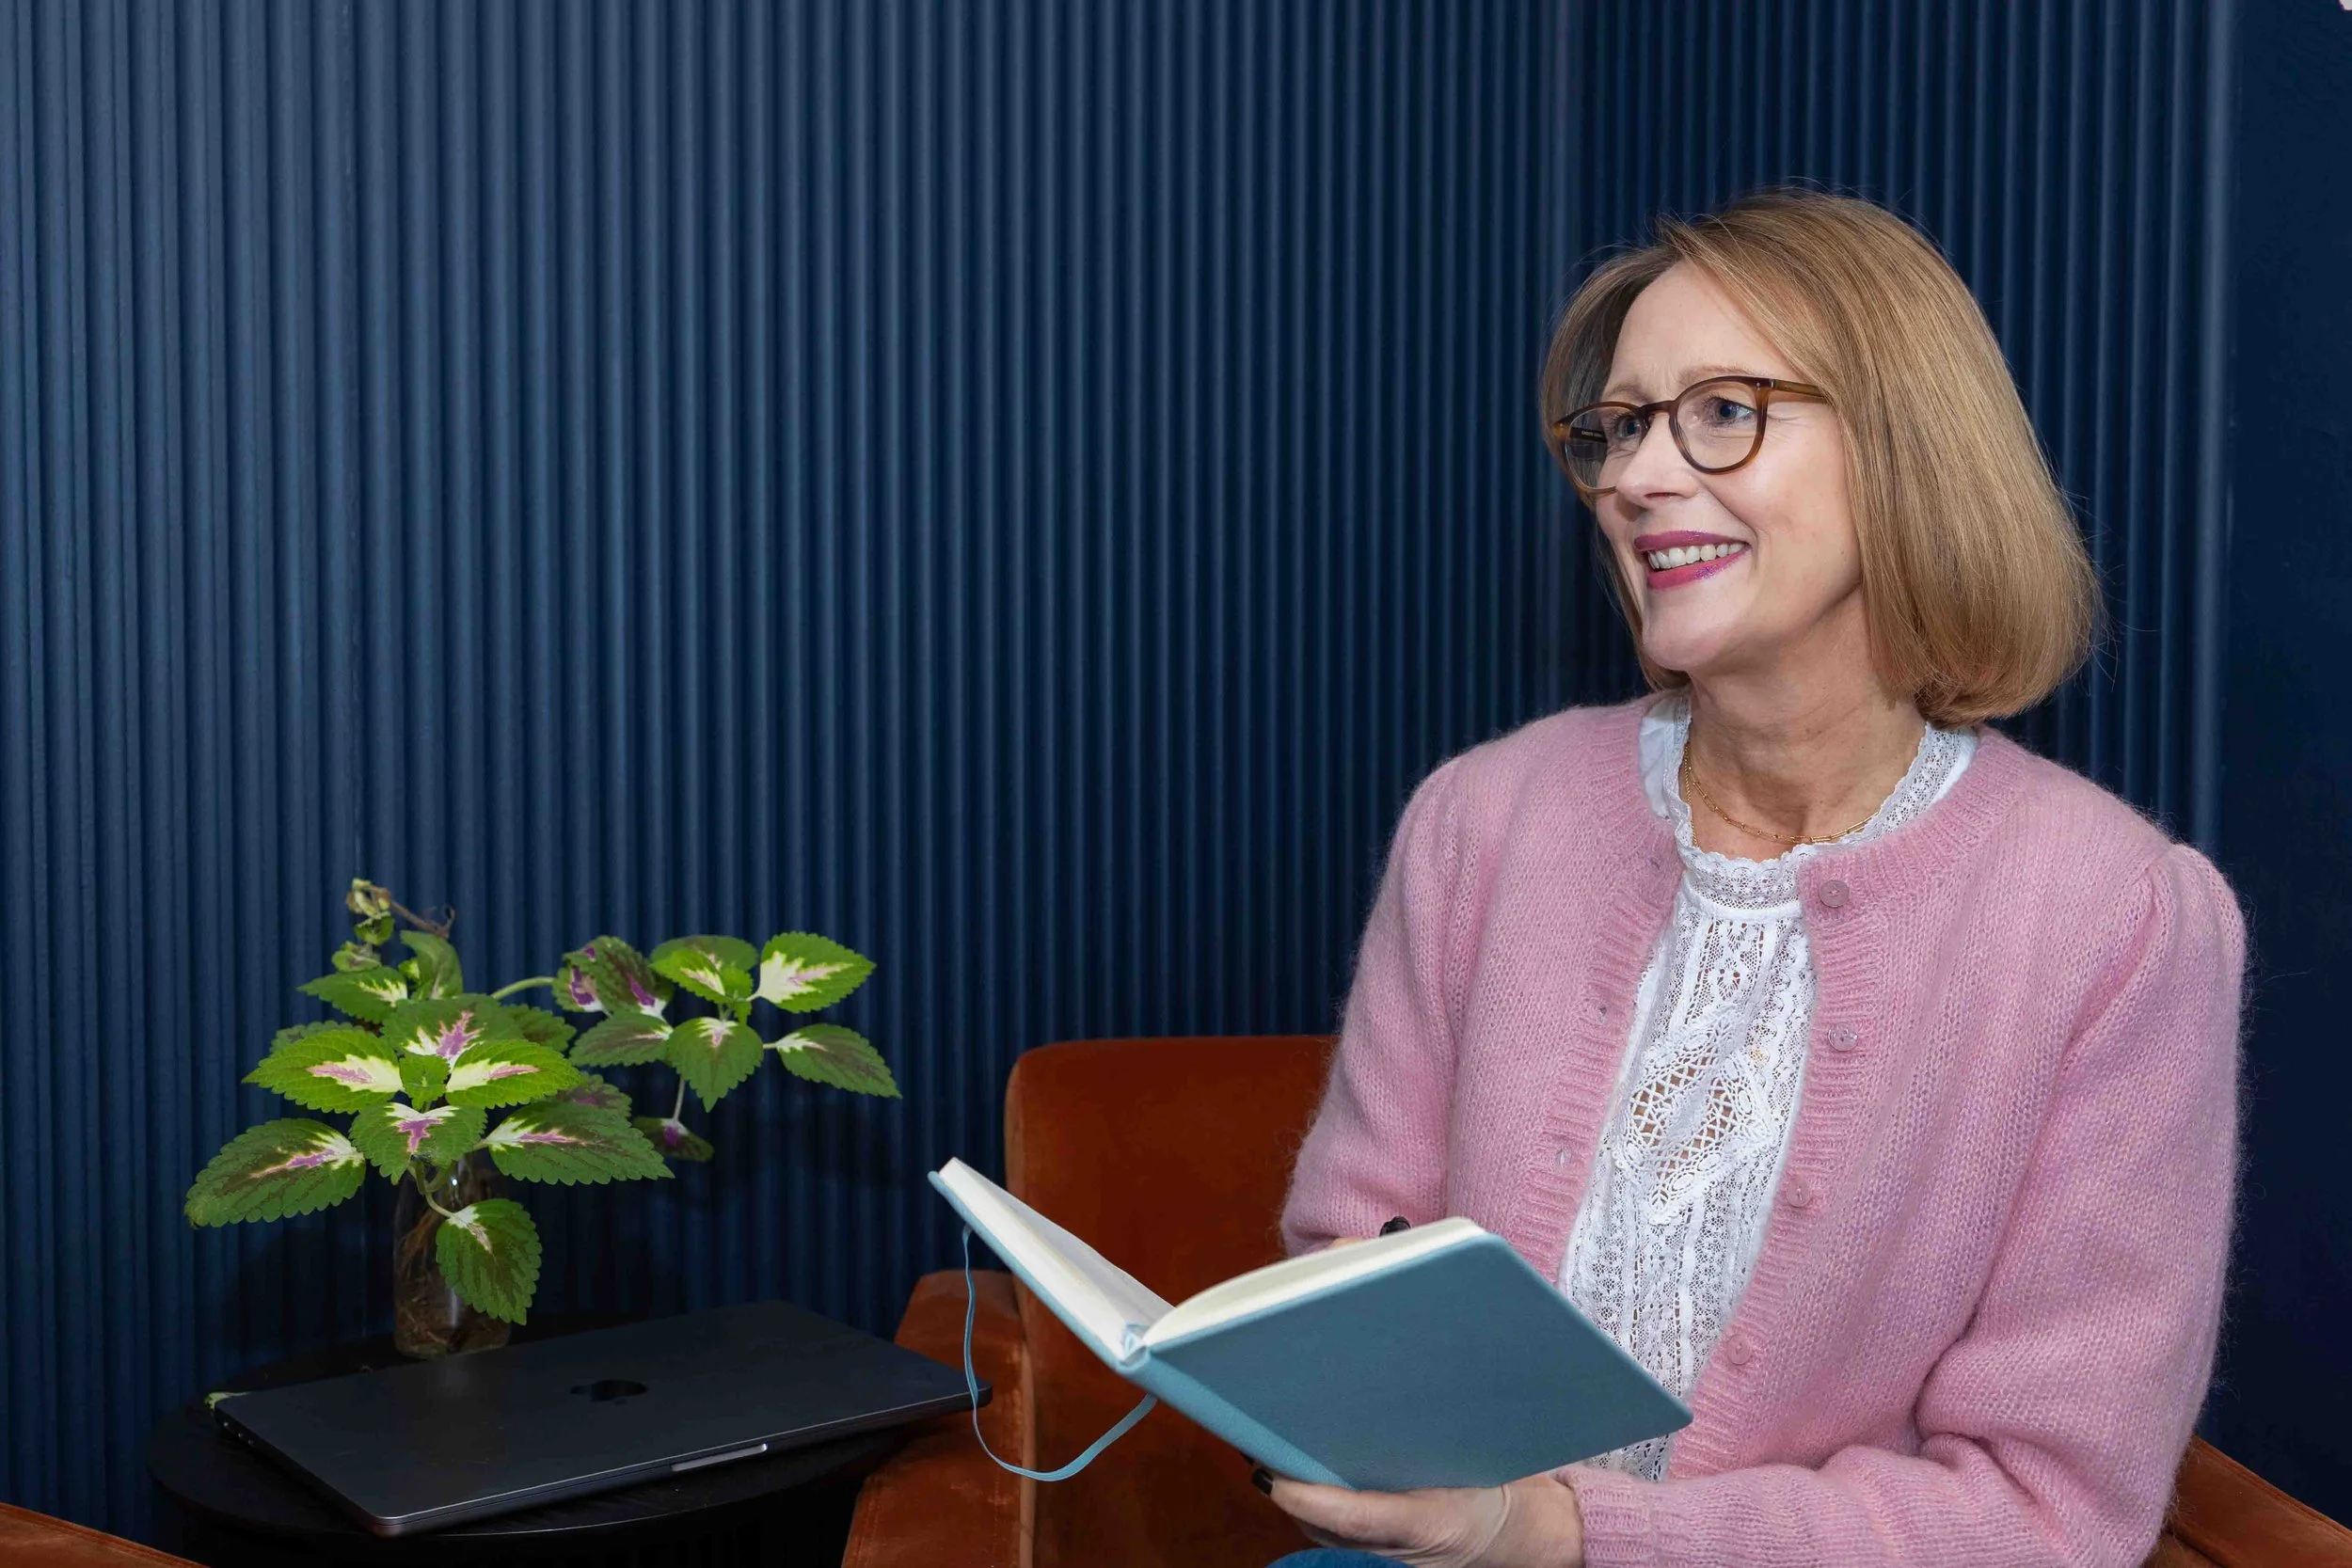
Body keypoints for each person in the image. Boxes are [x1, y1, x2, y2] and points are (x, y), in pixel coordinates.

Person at [1258, 187, 2247, 1567]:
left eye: (1723, 410)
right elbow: (1344, 1269)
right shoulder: (1482, 821)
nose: (1636, 477)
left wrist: (1561, 1534)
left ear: (1903, 449)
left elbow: (2050, 1510)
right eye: (1619, 427)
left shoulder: (2114, 920)